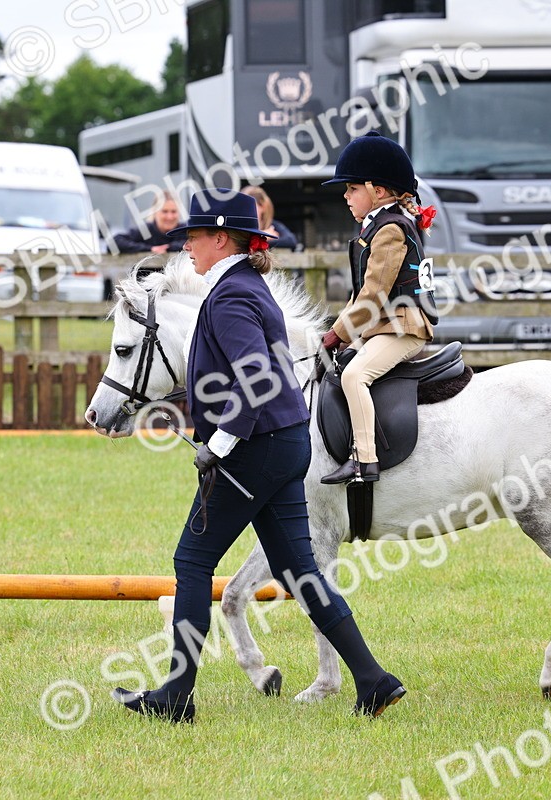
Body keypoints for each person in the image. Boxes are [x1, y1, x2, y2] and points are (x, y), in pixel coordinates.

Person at [111, 188, 405, 723]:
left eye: (195, 238)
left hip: (255, 449)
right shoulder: (246, 286)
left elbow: (257, 378)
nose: (187, 248)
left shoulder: (231, 297)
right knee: (301, 569)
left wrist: (220, 444)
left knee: (192, 562)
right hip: (283, 442)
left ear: (222, 239)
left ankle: (176, 696)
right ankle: (374, 680)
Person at [318, 132, 438, 485]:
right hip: (384, 324)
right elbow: (361, 295)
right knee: (339, 364)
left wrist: (338, 333)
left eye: (352, 188)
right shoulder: (376, 228)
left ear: (379, 192)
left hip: (404, 326)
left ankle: (364, 460)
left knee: (355, 375)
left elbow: (372, 297)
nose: (346, 196)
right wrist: (339, 332)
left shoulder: (389, 231)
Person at [111, 190, 184, 254]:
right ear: (155, 212)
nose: (170, 217)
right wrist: (150, 249)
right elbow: (114, 243)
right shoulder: (146, 231)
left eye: (174, 212)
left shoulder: (185, 231)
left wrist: (169, 247)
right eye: (165, 211)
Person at [240, 185, 301, 250]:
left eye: (249, 207)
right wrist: (262, 237)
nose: (245, 211)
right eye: (241, 207)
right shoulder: (239, 226)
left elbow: (291, 241)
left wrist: (261, 241)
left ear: (262, 207)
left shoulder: (273, 225)